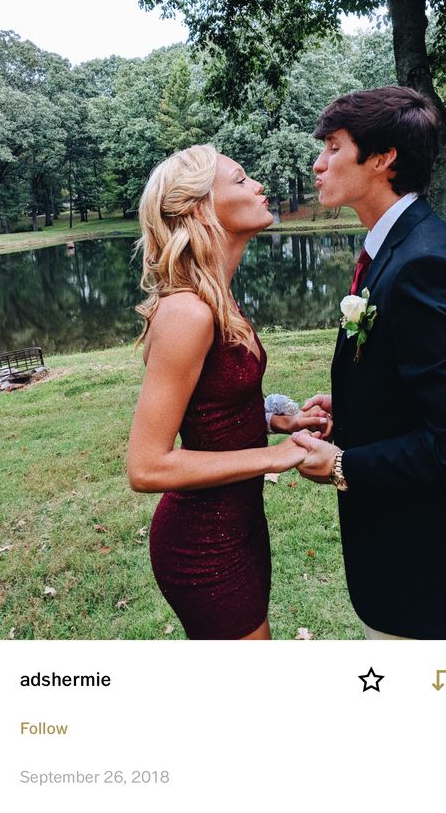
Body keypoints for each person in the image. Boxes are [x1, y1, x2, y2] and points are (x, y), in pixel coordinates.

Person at [293, 87, 446, 640]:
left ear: (383, 159)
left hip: (426, 578)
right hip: (401, 561)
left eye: (334, 147)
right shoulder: (393, 248)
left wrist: (343, 464)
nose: (318, 164)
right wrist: (361, 403)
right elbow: (422, 384)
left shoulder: (426, 264)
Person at [126, 144, 330, 640]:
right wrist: (273, 456)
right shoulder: (187, 312)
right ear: (199, 208)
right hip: (201, 545)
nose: (258, 186)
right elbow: (146, 466)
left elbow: (208, 406)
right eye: (240, 180)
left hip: (242, 526)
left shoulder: (219, 298)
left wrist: (272, 418)